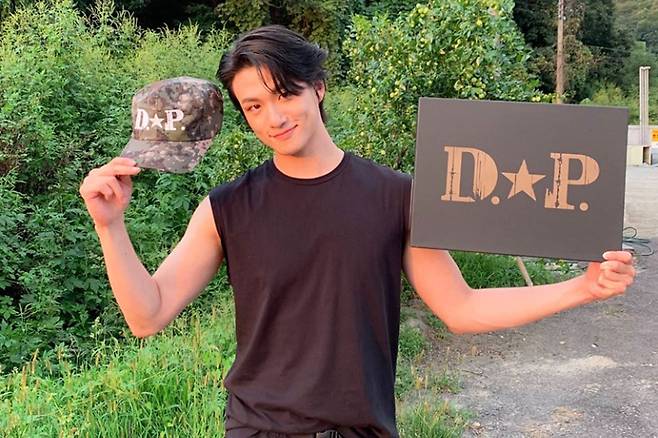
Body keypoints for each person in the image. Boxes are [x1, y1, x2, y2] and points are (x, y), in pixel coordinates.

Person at [79, 25, 636, 438]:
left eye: (285, 93)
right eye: (254, 106)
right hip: (258, 429)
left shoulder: (397, 196)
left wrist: (582, 288)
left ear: (318, 88)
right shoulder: (227, 208)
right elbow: (148, 315)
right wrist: (110, 225)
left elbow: (461, 308)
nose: (274, 117)